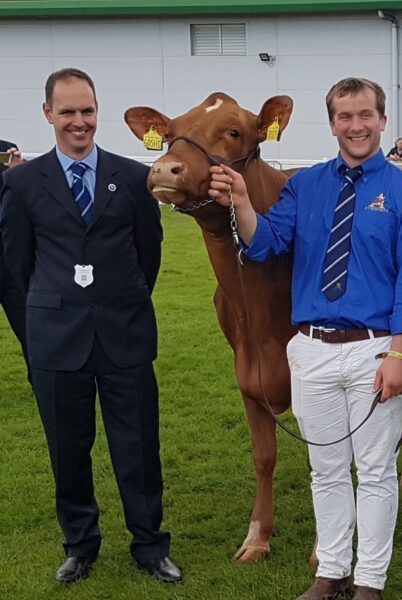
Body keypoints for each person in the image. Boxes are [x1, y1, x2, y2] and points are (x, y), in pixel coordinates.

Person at [208, 77, 402, 600]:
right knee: (326, 470)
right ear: (332, 123)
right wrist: (242, 200)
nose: (355, 126)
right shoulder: (305, 186)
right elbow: (265, 243)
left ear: (382, 121)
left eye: (365, 115)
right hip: (310, 347)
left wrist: (401, 353)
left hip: (373, 346)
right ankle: (331, 572)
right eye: (344, 117)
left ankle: (370, 582)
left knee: (375, 473)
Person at [0, 68, 180, 585]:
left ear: (97, 111)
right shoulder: (21, 183)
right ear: (48, 114)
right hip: (57, 338)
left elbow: (150, 255)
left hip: (124, 332)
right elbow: (17, 262)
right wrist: (58, 301)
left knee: (139, 447)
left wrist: (117, 298)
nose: (79, 122)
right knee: (68, 449)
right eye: (68, 112)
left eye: (87, 111)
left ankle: (149, 545)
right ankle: (80, 544)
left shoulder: (133, 178)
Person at [0, 139, 29, 372]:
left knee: (30, 328)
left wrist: (19, 173)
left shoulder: (6, 150)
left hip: (10, 259)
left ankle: (41, 380)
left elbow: (25, 203)